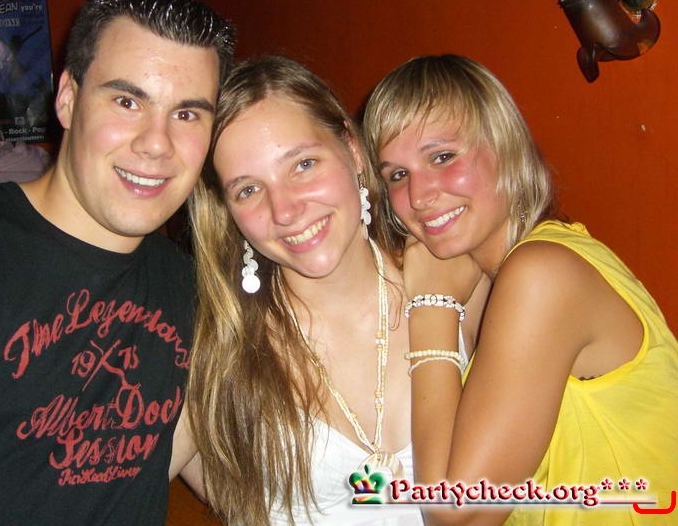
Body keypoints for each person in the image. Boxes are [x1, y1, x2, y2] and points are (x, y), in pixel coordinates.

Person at [0, 0, 234, 525]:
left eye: (187, 114)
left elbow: (242, 482)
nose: (156, 143)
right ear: (67, 98)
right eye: (127, 101)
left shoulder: (191, 288)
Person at [362, 54, 678, 525]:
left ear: (505, 146)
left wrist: (430, 306)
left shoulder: (542, 274)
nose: (419, 196)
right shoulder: (489, 277)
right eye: (397, 175)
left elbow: (457, 512)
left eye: (442, 157)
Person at [182, 55, 486, 525]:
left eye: (303, 164)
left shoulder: (461, 280)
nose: (285, 210)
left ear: (353, 149)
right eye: (248, 190)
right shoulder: (222, 346)